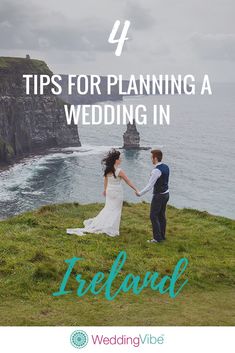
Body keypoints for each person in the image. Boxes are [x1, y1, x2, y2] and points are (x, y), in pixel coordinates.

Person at [66, 149, 138, 237]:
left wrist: (105, 190)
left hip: (109, 191)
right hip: (117, 192)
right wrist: (136, 189)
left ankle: (106, 225)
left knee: (108, 208)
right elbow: (128, 181)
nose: (121, 160)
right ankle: (112, 228)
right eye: (119, 158)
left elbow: (105, 180)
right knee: (116, 210)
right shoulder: (119, 171)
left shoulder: (108, 170)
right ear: (116, 160)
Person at [136, 149, 170, 243]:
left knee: (153, 216)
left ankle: (157, 238)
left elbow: (150, 185)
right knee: (161, 215)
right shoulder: (166, 167)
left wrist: (140, 193)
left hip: (159, 196)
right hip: (166, 194)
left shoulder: (156, 170)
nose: (151, 159)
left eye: (151, 157)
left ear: (155, 158)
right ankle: (162, 236)